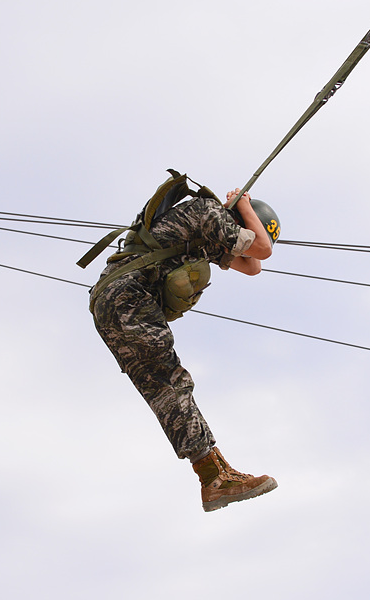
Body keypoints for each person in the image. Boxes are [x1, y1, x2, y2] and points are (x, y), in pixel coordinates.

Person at [89, 184, 280, 512]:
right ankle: (215, 478)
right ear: (238, 221)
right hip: (127, 298)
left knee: (167, 388)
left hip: (113, 303)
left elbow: (252, 265)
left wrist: (244, 215)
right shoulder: (207, 212)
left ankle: (215, 474)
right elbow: (262, 250)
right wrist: (245, 206)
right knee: (172, 383)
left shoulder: (205, 235)